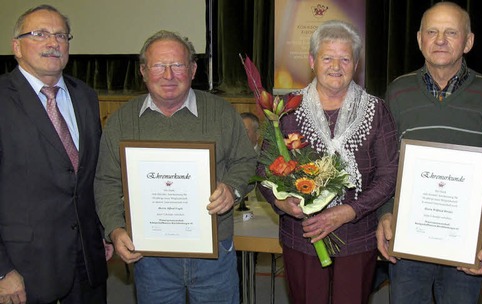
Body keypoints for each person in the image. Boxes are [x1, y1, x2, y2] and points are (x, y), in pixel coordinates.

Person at [94, 30, 257, 303]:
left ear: (193, 69)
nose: (168, 75)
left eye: (178, 65)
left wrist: (232, 189)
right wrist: (115, 229)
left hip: (215, 252)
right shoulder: (121, 121)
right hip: (150, 257)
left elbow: (247, 162)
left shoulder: (221, 112)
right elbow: (106, 182)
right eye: (158, 65)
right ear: (143, 71)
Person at [376, 2, 482, 303]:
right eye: (432, 31)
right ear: (419, 39)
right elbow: (385, 167)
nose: (440, 40)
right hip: (407, 242)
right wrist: (385, 213)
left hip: (467, 245)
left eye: (451, 32)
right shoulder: (397, 92)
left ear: (468, 41)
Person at [258, 20, 399, 303]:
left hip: (357, 237)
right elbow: (263, 168)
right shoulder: (286, 110)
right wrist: (281, 201)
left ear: (355, 64)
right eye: (327, 58)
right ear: (312, 61)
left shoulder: (376, 109)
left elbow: (389, 174)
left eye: (345, 58)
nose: (336, 66)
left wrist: (349, 211)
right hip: (303, 236)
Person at [0, 5, 112, 304]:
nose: (53, 43)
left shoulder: (85, 95)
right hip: (24, 269)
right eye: (40, 34)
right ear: (16, 47)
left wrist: (102, 231)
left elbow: (92, 175)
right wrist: (1, 271)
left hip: (87, 261)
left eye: (61, 35)